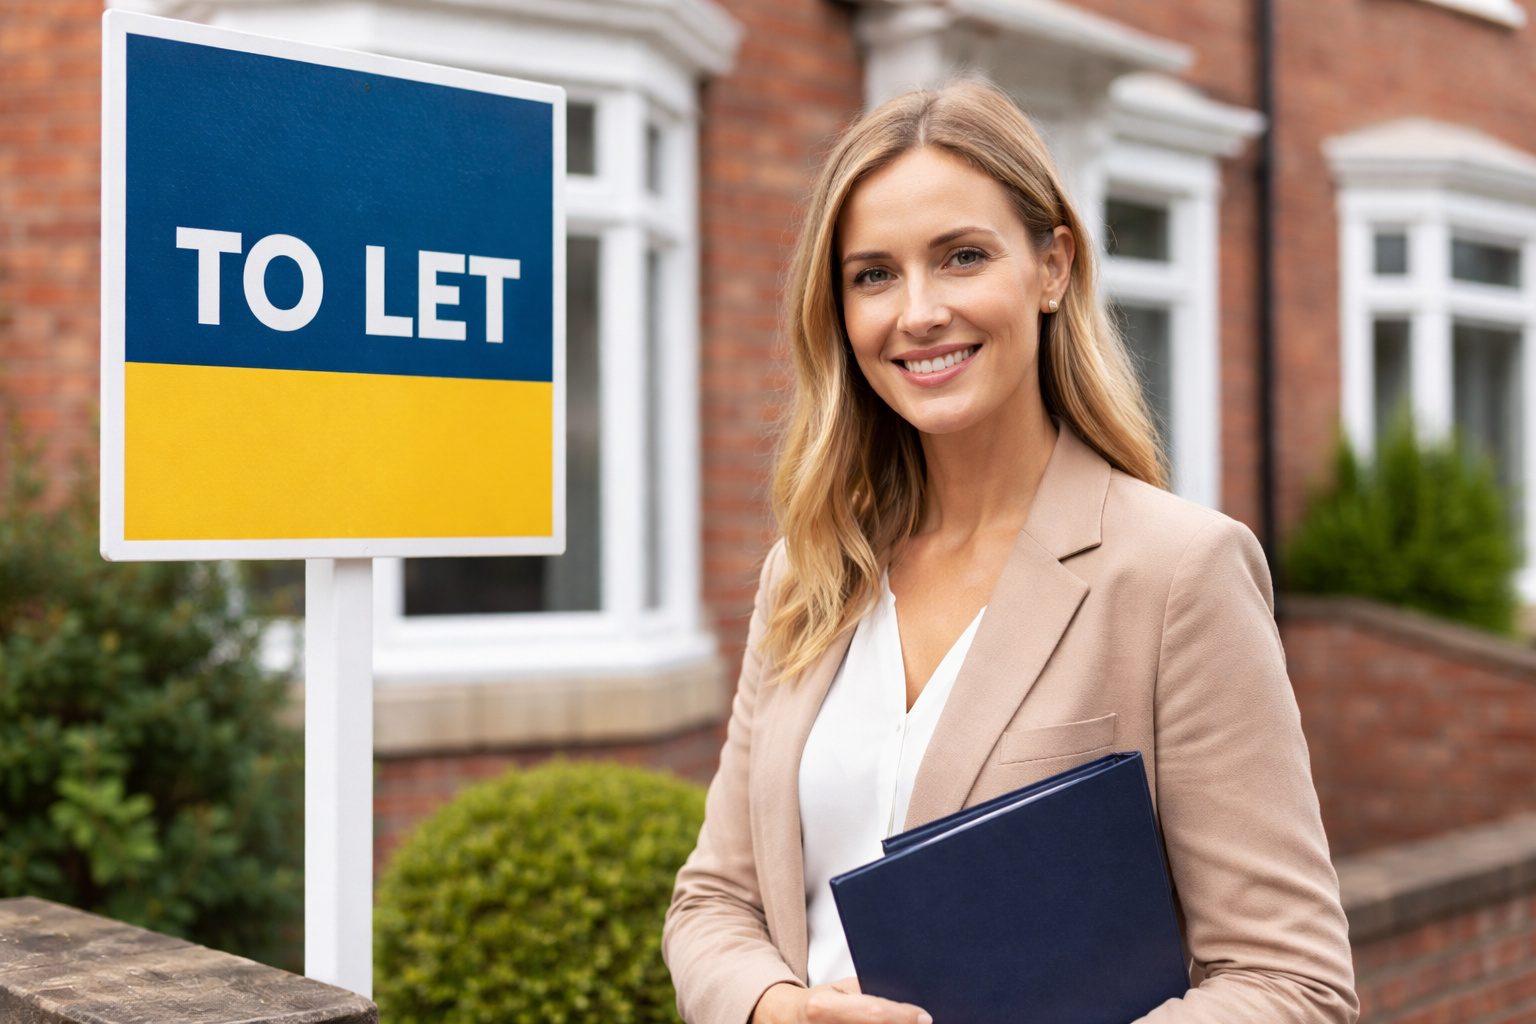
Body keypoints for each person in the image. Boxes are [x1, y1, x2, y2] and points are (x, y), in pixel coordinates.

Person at [663, 79, 1357, 1024]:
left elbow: (1291, 982)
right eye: (874, 274)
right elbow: (713, 902)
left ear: (1052, 267)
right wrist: (775, 1008)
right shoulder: (810, 571)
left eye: (961, 257)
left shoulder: (1176, 573)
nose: (918, 312)